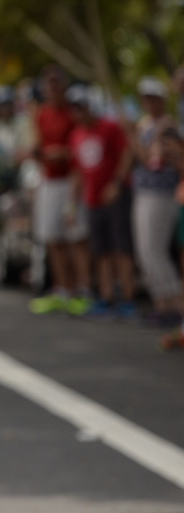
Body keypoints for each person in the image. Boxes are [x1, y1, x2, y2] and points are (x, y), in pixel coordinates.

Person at [65, 85, 137, 318]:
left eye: (82, 107)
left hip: (116, 196)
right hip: (92, 199)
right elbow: (77, 171)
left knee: (121, 248)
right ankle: (105, 297)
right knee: (101, 250)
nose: (79, 113)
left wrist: (116, 183)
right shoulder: (76, 135)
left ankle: (127, 298)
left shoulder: (109, 127)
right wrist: (72, 204)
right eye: (74, 109)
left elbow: (126, 154)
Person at [27, 66, 92, 315]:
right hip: (49, 180)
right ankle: (62, 290)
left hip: (72, 181)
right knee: (53, 238)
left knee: (76, 237)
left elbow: (79, 146)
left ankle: (83, 290)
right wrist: (39, 154)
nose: (52, 87)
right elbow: (38, 145)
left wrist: (58, 153)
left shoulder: (73, 112)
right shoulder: (41, 113)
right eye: (48, 83)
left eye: (56, 82)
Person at [129, 77, 183, 327]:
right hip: (143, 192)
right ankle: (162, 305)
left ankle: (175, 305)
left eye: (154, 98)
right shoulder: (144, 124)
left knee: (155, 251)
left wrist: (132, 139)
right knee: (145, 252)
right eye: (146, 98)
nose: (149, 103)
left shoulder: (167, 125)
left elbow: (151, 159)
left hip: (161, 195)